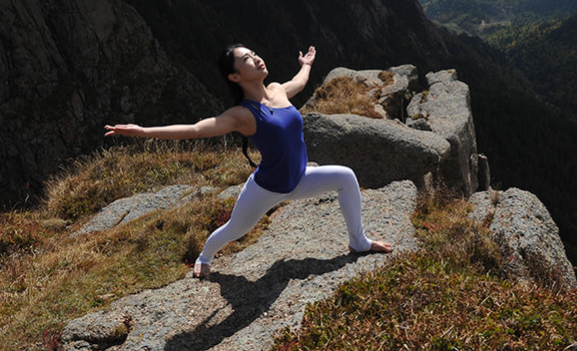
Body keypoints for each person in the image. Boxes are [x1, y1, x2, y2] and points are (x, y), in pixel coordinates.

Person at [104, 44, 392, 278]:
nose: (256, 58)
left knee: (346, 177)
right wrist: (142, 132)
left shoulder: (278, 90)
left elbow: (299, 83)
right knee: (235, 230)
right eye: (246, 59)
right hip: (266, 189)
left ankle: (359, 242)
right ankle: (205, 255)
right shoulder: (242, 115)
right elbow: (194, 129)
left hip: (300, 178)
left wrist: (306, 63)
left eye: (254, 53)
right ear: (235, 76)